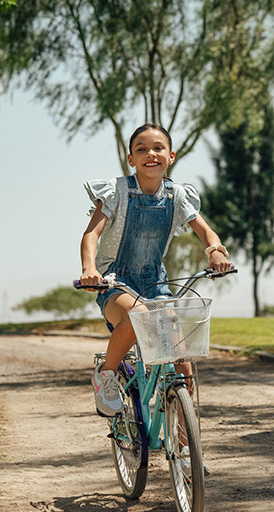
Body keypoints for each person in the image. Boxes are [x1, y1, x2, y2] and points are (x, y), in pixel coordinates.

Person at [80, 123, 234, 417]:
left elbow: (207, 232)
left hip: (155, 281)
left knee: (183, 370)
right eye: (142, 149)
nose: (150, 154)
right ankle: (106, 374)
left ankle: (188, 456)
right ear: (131, 159)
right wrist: (89, 270)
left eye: (158, 148)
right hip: (115, 282)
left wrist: (215, 251)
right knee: (139, 316)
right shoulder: (116, 192)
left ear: (171, 155)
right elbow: (90, 236)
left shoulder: (177, 195)